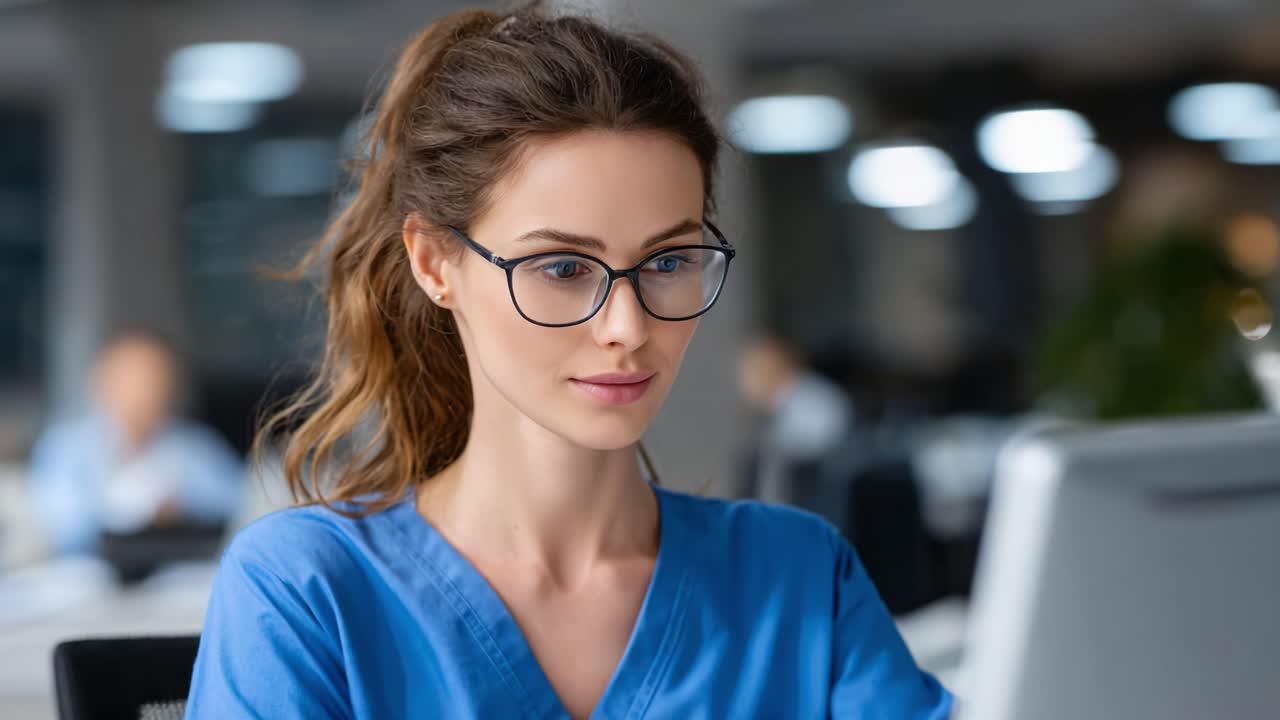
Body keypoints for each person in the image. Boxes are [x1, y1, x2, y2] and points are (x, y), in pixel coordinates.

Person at [186, 4, 954, 718]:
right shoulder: (306, 589)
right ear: (433, 263)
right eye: (561, 268)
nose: (627, 327)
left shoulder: (796, 576)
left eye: (667, 262)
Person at [27, 332, 244, 556]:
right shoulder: (65, 447)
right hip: (90, 576)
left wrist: (181, 508)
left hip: (180, 573)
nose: (144, 392)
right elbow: (64, 528)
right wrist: (133, 514)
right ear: (100, 383)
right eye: (131, 379)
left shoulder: (195, 445)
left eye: (155, 380)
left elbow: (238, 507)